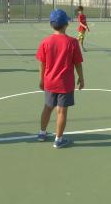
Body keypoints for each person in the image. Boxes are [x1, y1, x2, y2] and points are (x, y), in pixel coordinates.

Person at [36, 9, 84, 149]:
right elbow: (77, 63)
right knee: (62, 111)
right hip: (65, 83)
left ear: (51, 25)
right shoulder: (72, 42)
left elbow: (42, 63)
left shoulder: (45, 41)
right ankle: (58, 139)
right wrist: (81, 78)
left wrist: (41, 80)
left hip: (49, 81)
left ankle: (41, 133)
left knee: (47, 107)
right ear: (66, 24)